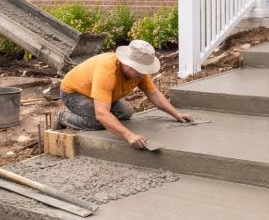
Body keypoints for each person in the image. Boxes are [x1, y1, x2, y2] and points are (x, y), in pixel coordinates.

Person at [57, 39, 192, 147]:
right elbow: (102, 114)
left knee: (126, 113)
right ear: (127, 64)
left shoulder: (140, 73)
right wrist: (129, 136)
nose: (141, 74)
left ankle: (93, 111)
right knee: (98, 122)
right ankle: (63, 117)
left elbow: (154, 94)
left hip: (102, 94)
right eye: (139, 70)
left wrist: (176, 114)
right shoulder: (107, 71)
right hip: (74, 92)